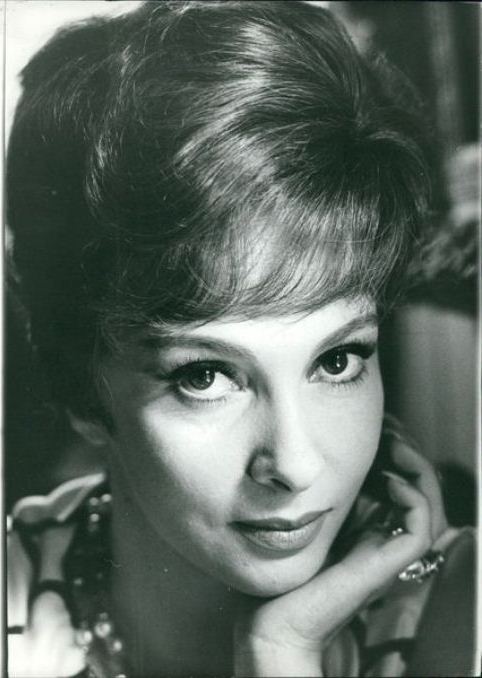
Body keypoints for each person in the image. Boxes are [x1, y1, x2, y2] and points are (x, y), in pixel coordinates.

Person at [6, 2, 476, 676]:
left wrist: (281, 651)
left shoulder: (461, 613)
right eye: (204, 376)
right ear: (78, 386)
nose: (297, 465)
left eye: (337, 360)